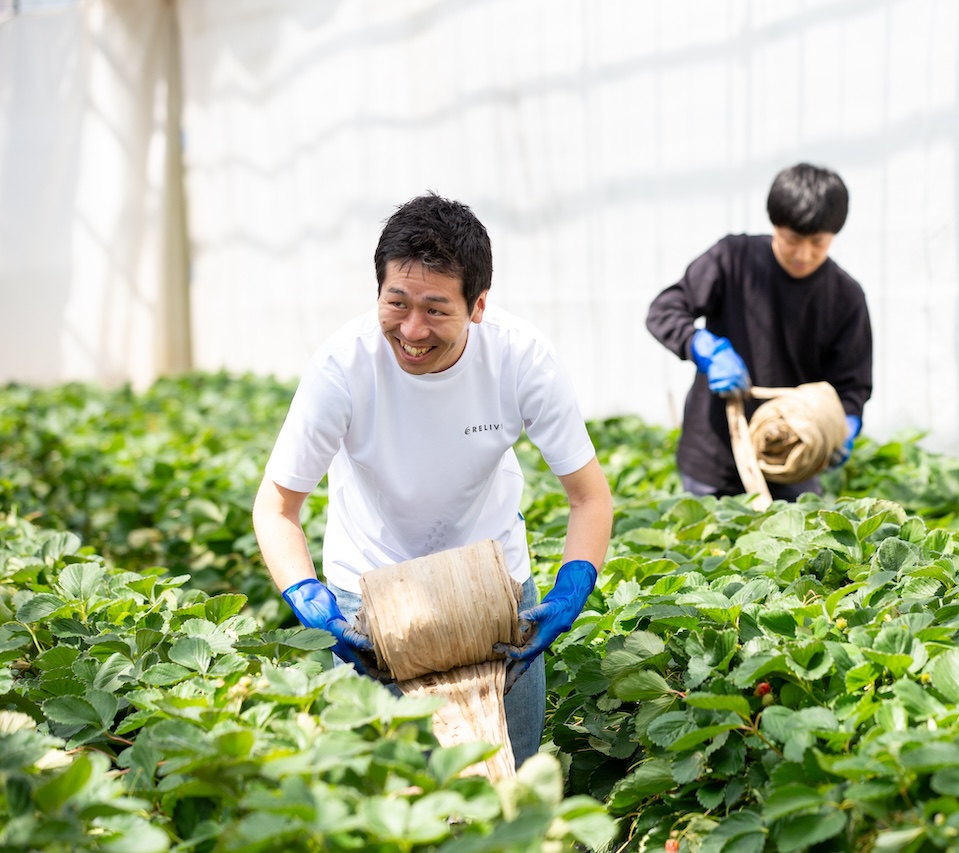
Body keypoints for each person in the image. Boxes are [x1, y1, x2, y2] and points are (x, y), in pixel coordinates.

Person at [252, 192, 614, 768]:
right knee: (380, 795)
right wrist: (307, 596)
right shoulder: (342, 367)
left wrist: (573, 586)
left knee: (505, 792)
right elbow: (275, 509)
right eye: (396, 302)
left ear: (478, 305)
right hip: (366, 603)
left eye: (436, 309)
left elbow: (590, 498)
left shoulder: (521, 361)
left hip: (493, 604)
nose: (412, 330)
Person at [646, 162, 872, 500]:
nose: (803, 254)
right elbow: (664, 309)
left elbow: (853, 382)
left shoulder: (845, 297)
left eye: (818, 243)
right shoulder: (733, 259)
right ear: (774, 224)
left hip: (794, 459)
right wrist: (700, 345)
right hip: (712, 456)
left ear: (833, 236)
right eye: (792, 239)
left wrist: (846, 422)